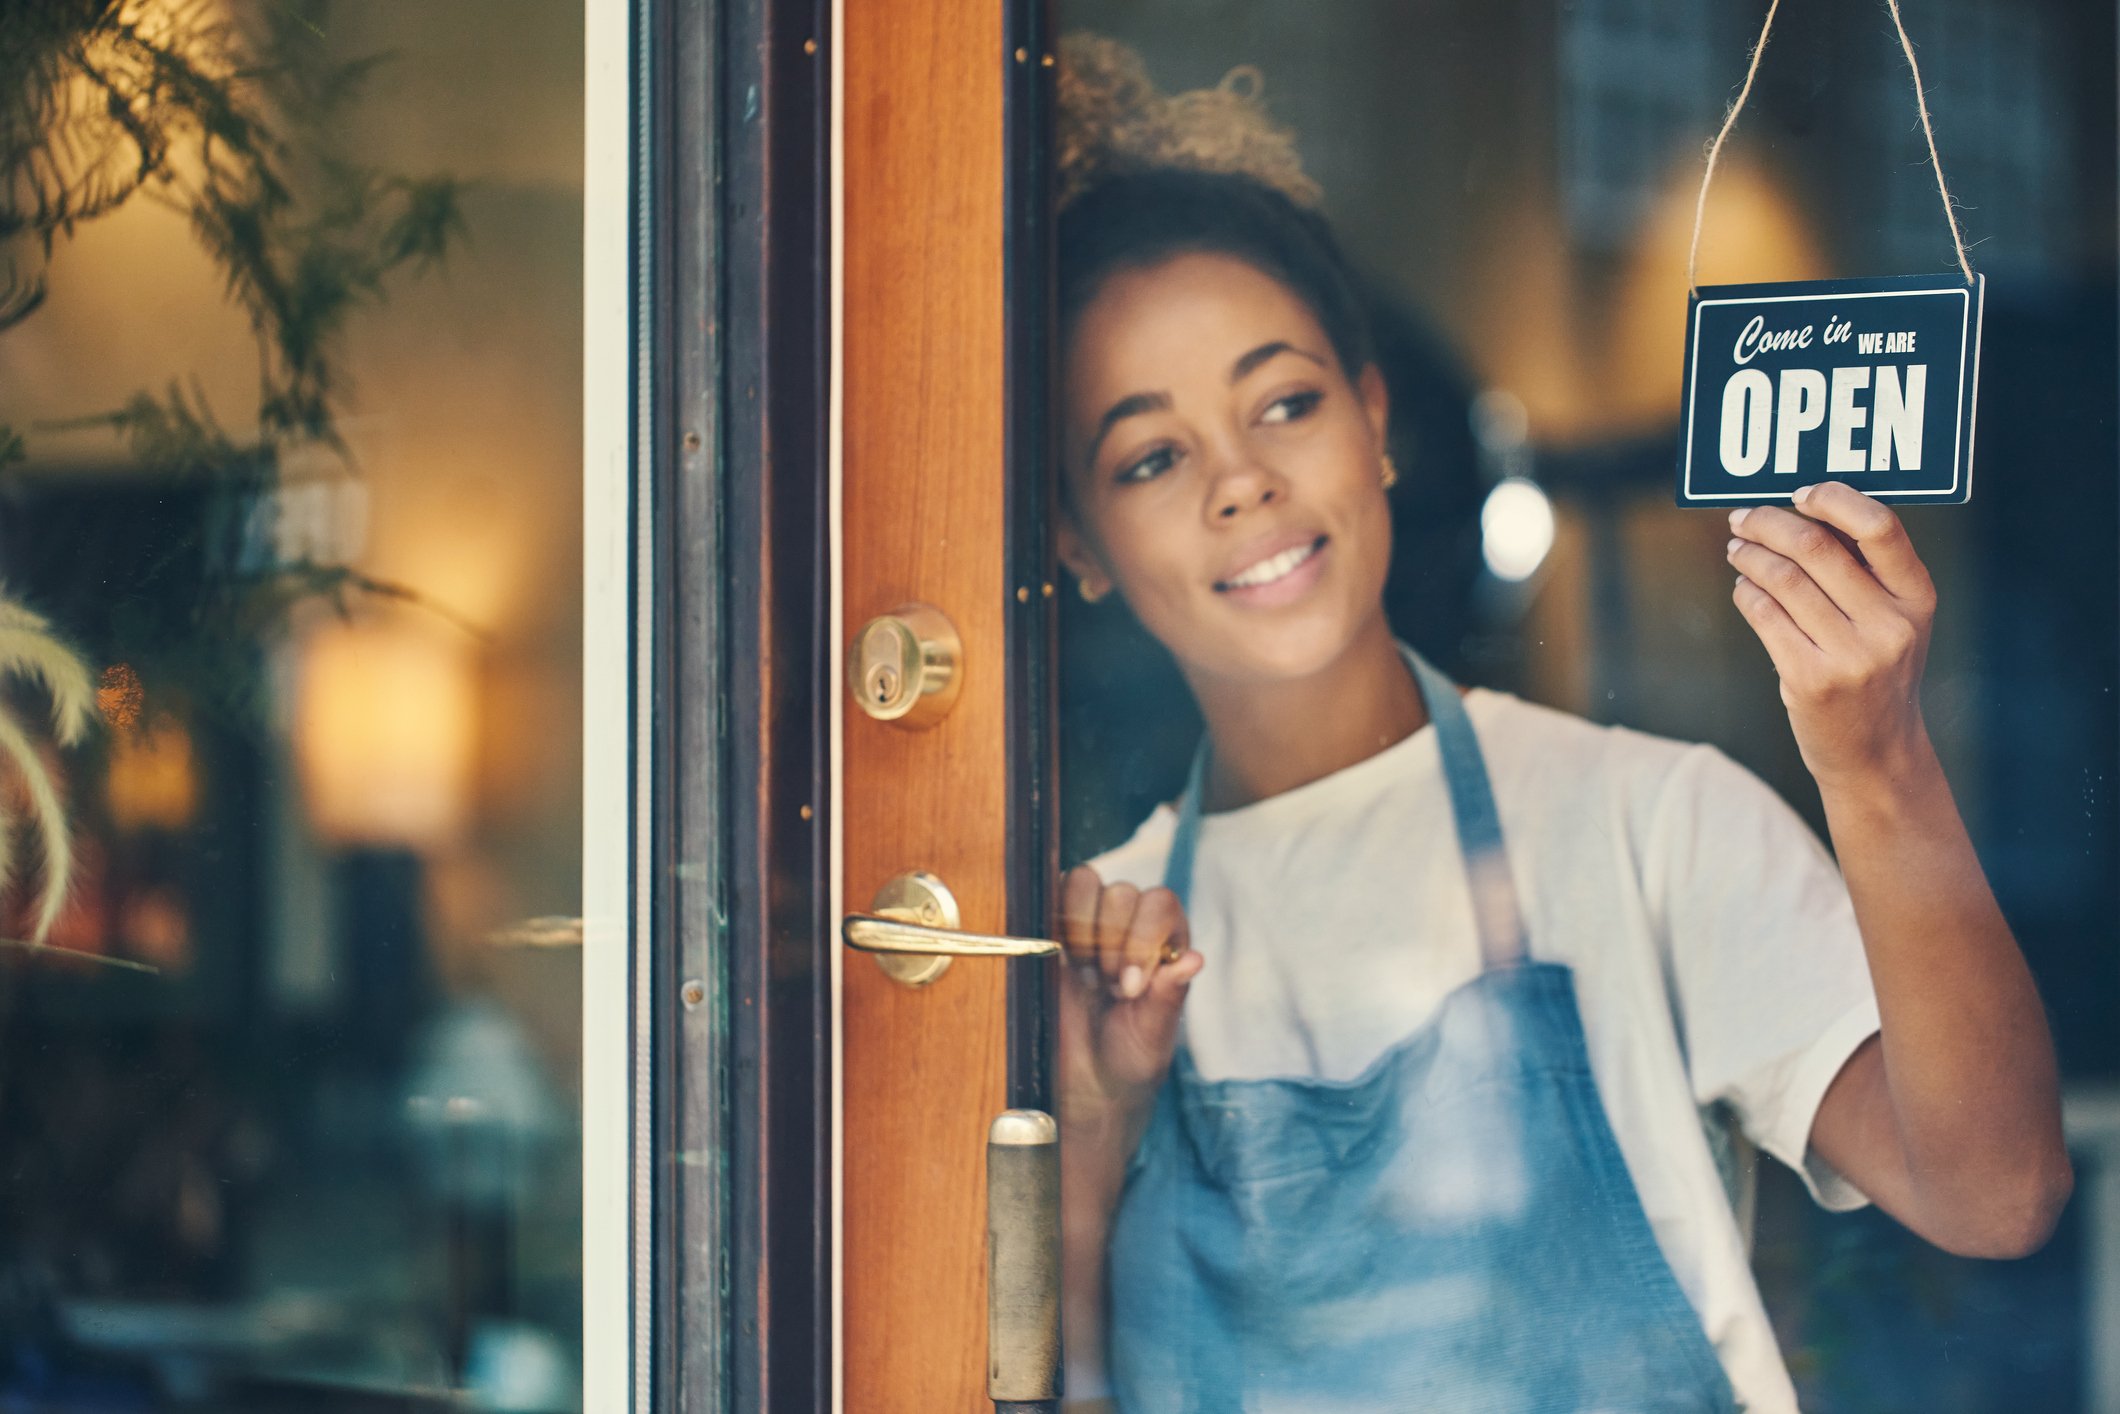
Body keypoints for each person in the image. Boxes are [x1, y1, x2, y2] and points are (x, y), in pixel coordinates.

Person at [1050, 36, 2072, 1414]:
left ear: (1374, 419)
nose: (1240, 481)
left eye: (1285, 401)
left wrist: (1878, 760)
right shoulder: (1099, 958)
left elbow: (1998, 1191)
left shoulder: (1646, 821)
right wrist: (1097, 1111)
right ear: (1079, 542)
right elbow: (1046, 1373)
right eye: (1151, 456)